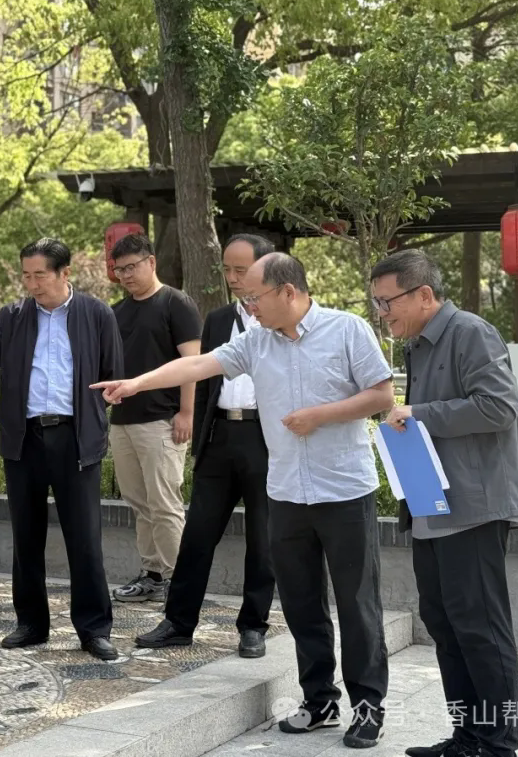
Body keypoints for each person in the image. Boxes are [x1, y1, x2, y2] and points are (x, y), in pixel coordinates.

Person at [92, 253, 394, 749]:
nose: (249, 307)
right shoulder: (257, 341)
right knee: (301, 604)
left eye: (255, 297)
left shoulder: (347, 330)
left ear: (288, 291)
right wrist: (137, 383)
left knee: (357, 604)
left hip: (343, 490)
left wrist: (321, 415)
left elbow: (382, 395)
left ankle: (368, 706)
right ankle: (319, 701)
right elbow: (198, 363)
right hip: (287, 492)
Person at [370, 250, 518, 757]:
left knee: (480, 628)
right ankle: (468, 737)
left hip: (473, 506)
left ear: (424, 294)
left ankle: (497, 744)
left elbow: (498, 407)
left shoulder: (470, 332)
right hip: (432, 503)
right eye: (377, 303)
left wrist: (418, 413)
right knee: (445, 625)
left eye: (387, 302)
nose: (382, 313)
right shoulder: (418, 344)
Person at [0, 238, 123, 662]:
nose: (32, 283)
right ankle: (31, 624)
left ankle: (94, 629)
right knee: (26, 537)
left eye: (40, 275)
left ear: (64, 273)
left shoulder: (96, 313)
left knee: (85, 540)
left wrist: (99, 411)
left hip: (76, 440)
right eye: (26, 275)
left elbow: (113, 373)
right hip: (25, 440)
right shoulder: (13, 317)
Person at [135, 233, 277, 658]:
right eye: (227, 269)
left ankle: (253, 625)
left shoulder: (280, 321)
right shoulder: (217, 319)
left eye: (241, 270)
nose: (233, 278)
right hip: (219, 437)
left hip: (266, 438)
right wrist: (200, 436)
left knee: (263, 538)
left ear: (265, 269)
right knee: (197, 534)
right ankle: (179, 622)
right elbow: (201, 379)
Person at [107, 233, 202, 604]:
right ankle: (153, 575)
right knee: (139, 503)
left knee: (164, 504)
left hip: (163, 420)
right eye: (119, 270)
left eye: (132, 267)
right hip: (123, 421)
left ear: (151, 262)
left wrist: (186, 412)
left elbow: (192, 364)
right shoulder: (117, 311)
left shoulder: (176, 303)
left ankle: (180, 582)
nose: (126, 275)